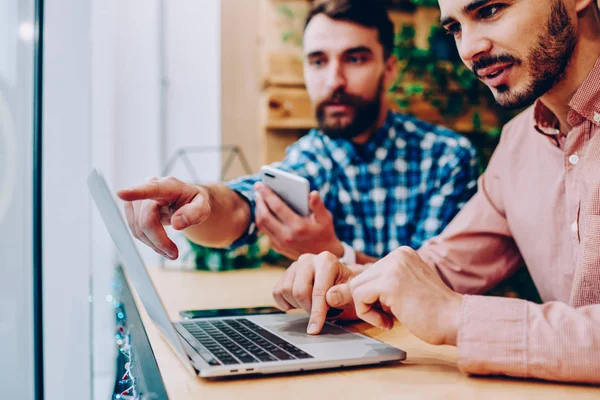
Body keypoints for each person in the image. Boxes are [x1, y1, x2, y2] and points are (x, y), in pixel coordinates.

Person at [279, 0, 600, 384]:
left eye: (490, 11)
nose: (468, 50)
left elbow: (443, 302)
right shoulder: (518, 144)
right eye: (456, 29)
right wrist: (342, 286)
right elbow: (441, 267)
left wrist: (455, 317)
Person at [117, 0, 479, 264]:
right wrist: (198, 200)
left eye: (355, 59)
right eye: (318, 61)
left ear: (389, 69)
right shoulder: (312, 156)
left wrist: (338, 255)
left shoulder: (447, 157)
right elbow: (242, 208)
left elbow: (433, 281)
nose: (334, 80)